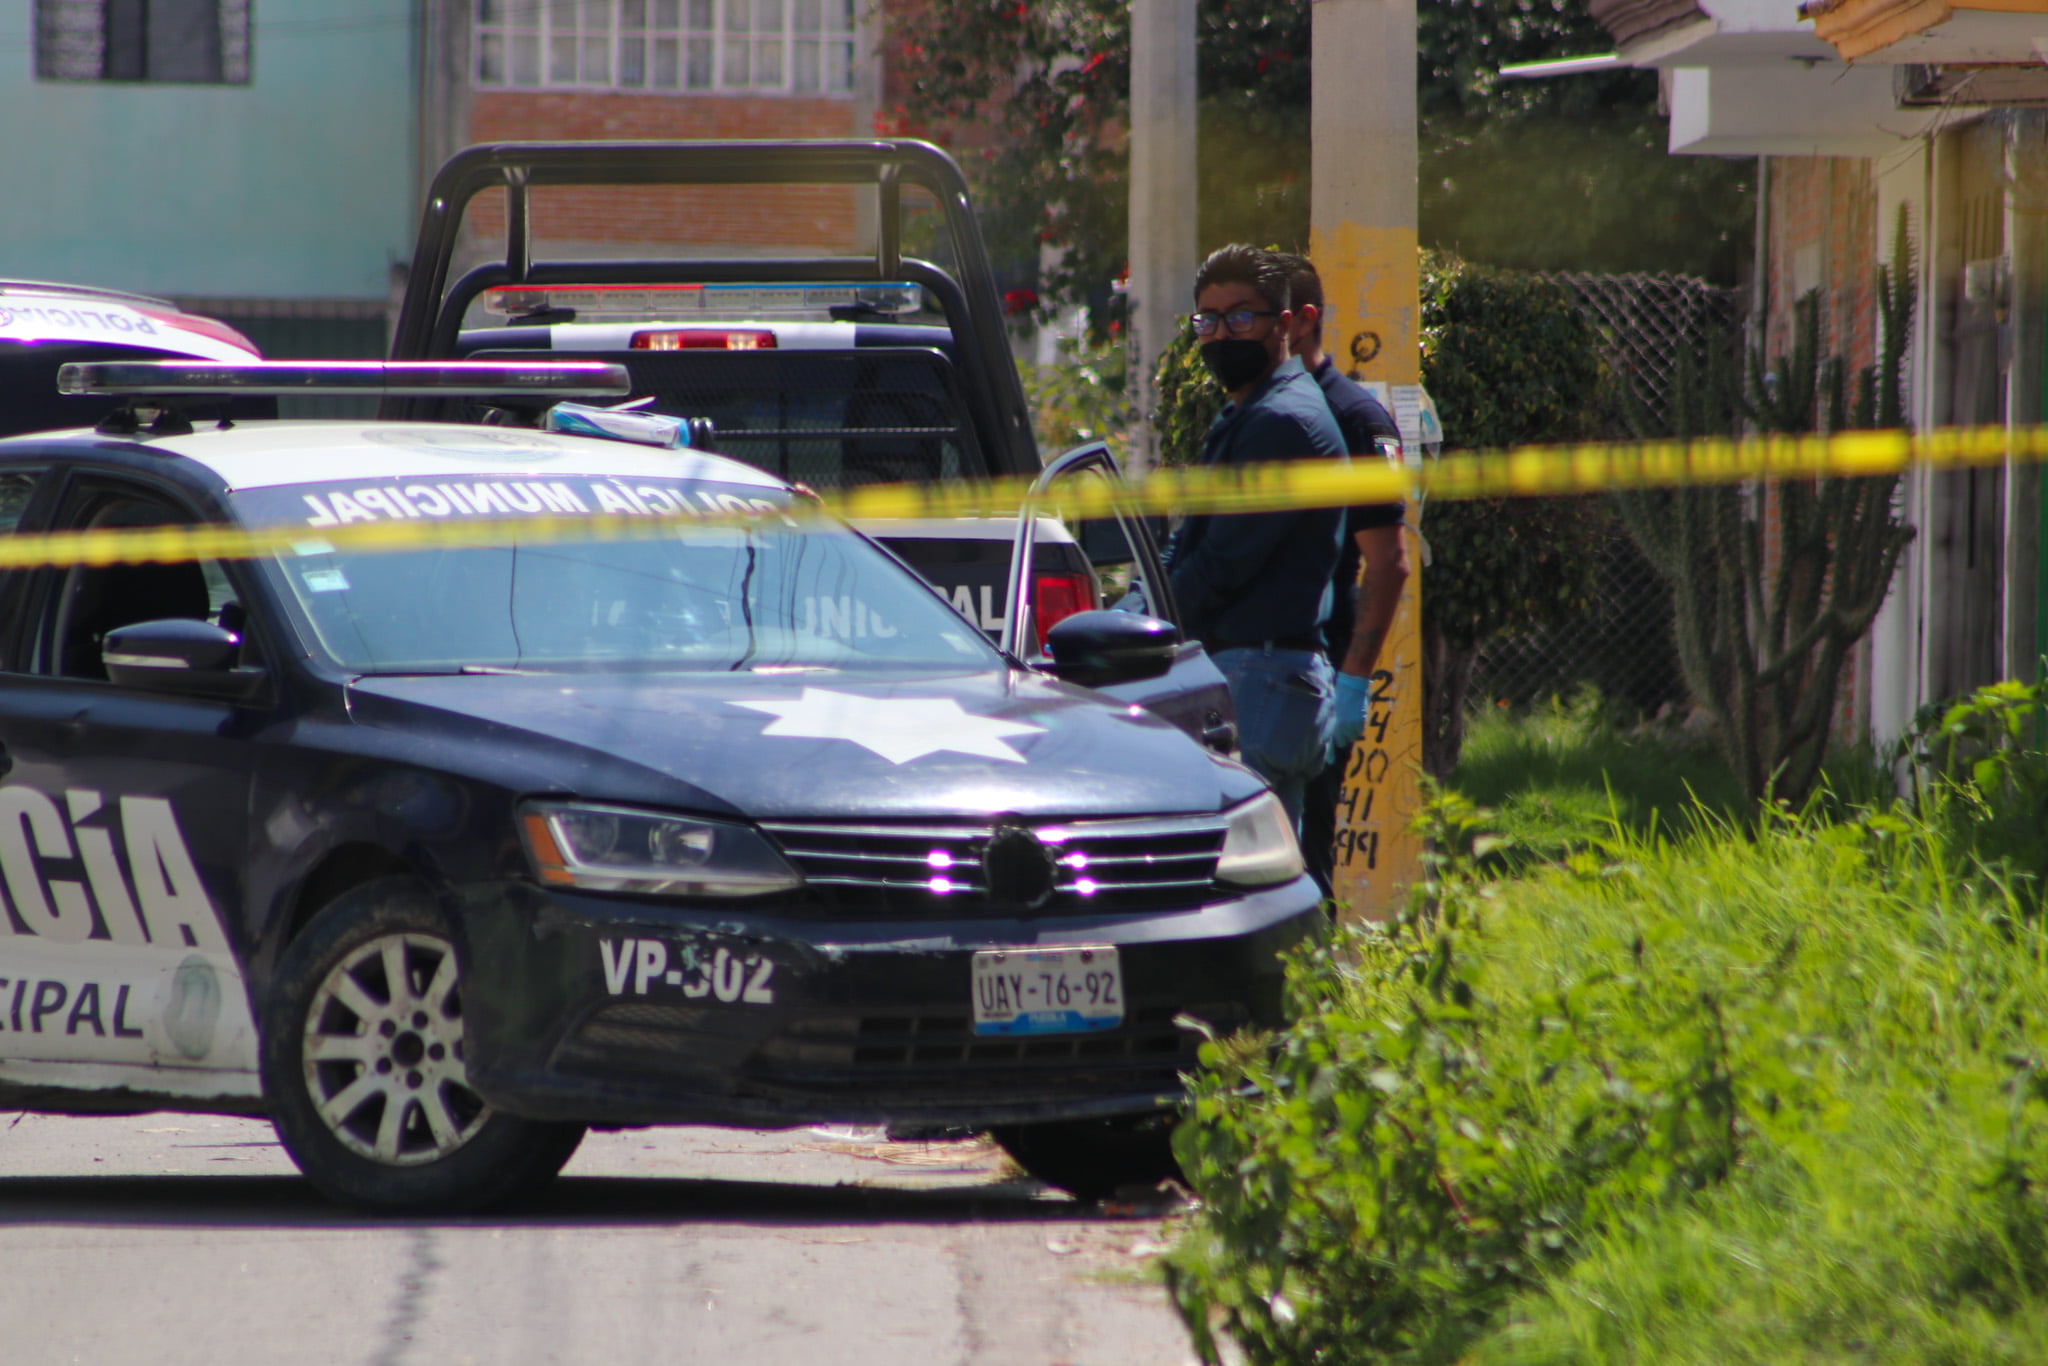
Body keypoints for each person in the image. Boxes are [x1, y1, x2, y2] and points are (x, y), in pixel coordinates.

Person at [1165, 244, 1347, 831]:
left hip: (1257, 681)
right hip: (1268, 680)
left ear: (1287, 325)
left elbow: (1220, 564)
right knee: (1270, 882)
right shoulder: (1250, 413)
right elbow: (1191, 543)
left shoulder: (1280, 421)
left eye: (1241, 317)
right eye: (1208, 320)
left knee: (1233, 882)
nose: (1222, 335)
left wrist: (1143, 632)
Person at [1273, 253, 1413, 893]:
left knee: (1304, 864)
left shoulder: (1356, 419)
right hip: (1242, 671)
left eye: (1250, 315)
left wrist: (1352, 683)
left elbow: (1387, 562)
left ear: (1302, 321)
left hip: (1316, 672)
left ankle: (1315, 990)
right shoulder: (1250, 413)